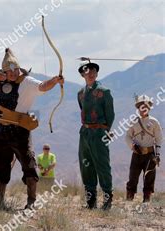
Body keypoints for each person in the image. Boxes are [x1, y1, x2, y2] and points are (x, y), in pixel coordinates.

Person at [0, 48, 64, 210]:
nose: (13, 73)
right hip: (1, 130)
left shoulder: (27, 82)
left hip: (20, 130)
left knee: (28, 163)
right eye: (8, 71)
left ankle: (31, 200)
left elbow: (43, 86)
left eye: (15, 69)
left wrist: (55, 80)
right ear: (4, 71)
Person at [77, 60, 115, 210]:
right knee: (86, 165)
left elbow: (110, 114)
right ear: (82, 75)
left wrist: (106, 130)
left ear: (97, 73)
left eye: (93, 71)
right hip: (85, 132)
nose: (90, 74)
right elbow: (82, 109)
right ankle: (91, 202)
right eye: (87, 71)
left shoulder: (104, 92)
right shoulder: (80, 93)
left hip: (99, 132)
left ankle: (107, 200)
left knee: (102, 164)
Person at [125, 95, 162, 202]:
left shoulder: (154, 122)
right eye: (141, 106)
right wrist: (132, 146)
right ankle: (129, 200)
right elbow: (128, 136)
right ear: (138, 108)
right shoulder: (133, 121)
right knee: (133, 177)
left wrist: (158, 154)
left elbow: (159, 138)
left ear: (149, 107)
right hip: (137, 154)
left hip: (150, 154)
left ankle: (146, 201)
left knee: (149, 178)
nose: (143, 108)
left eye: (145, 106)